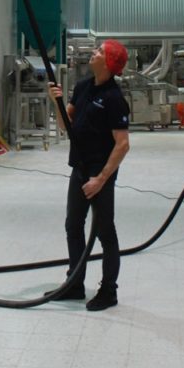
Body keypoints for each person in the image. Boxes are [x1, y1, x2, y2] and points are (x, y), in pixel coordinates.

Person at [48, 40, 130, 311]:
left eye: (99, 52)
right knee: (73, 225)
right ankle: (74, 283)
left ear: (108, 63)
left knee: (106, 231)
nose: (93, 54)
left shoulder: (114, 99)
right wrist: (57, 103)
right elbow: (65, 126)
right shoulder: (83, 87)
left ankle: (109, 291)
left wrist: (102, 179)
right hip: (80, 169)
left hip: (99, 175)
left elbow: (122, 144)